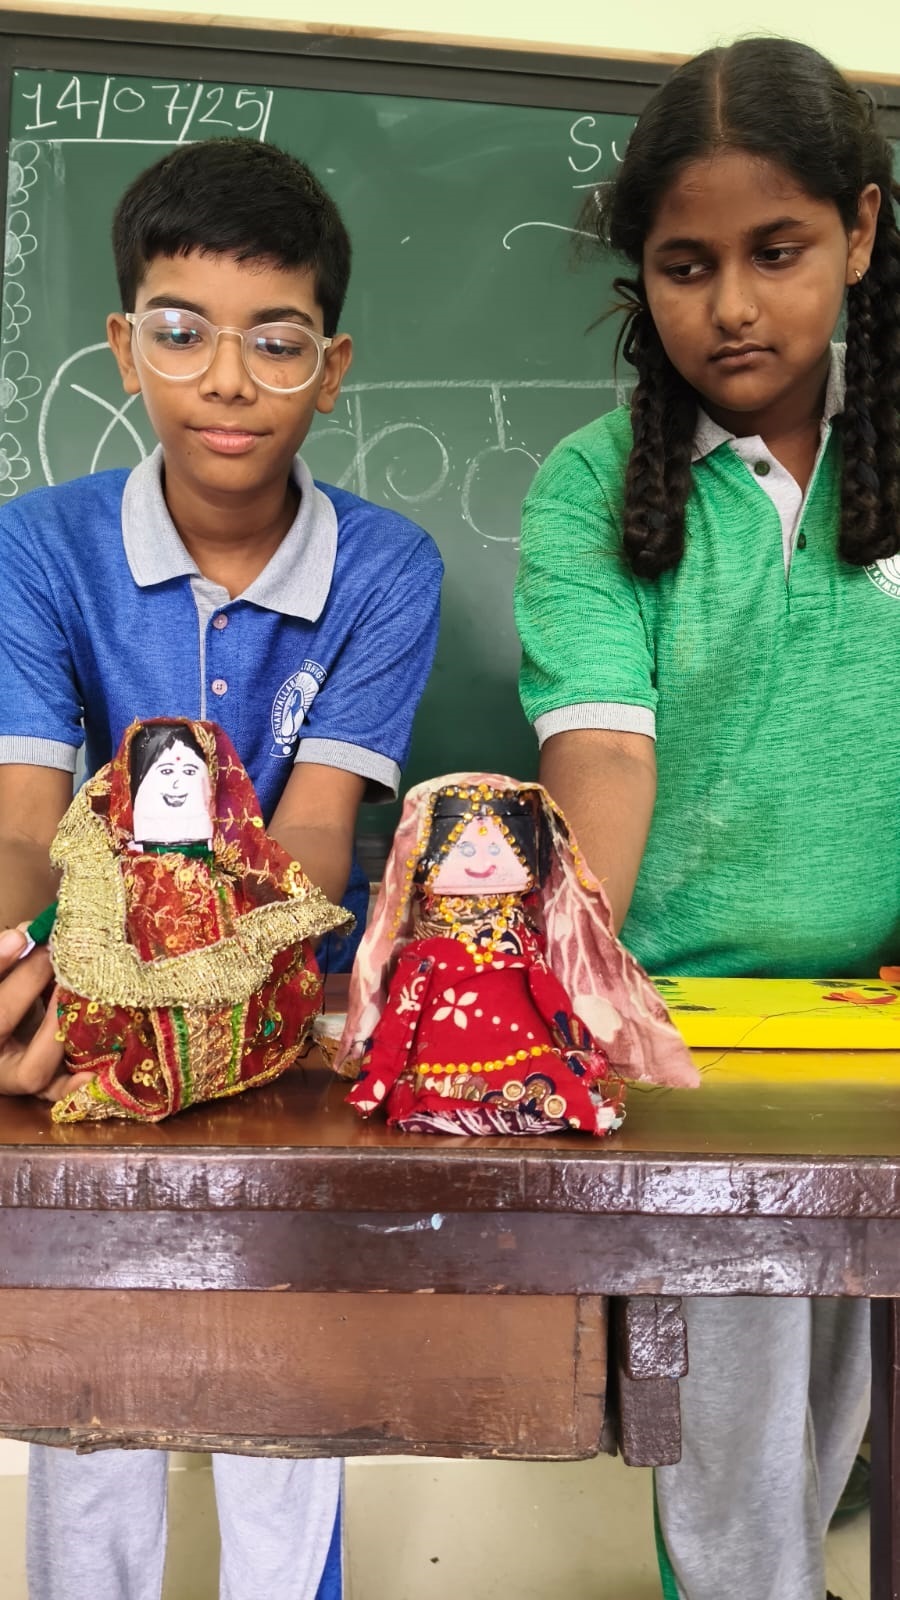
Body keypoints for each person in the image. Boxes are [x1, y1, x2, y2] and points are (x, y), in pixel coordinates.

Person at [0, 137, 442, 1600]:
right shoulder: (36, 547)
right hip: (91, 1032)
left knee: (283, 1400)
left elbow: (316, 831)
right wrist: (25, 970)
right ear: (125, 345)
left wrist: (209, 991)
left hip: (285, 1040)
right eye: (182, 332)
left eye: (278, 340)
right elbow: (22, 823)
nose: (229, 381)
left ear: (334, 365)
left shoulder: (386, 566)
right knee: (89, 1386)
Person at [514, 35, 899, 1600]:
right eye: (687, 267)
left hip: (884, 1035)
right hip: (679, 1050)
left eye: (776, 252)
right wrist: (571, 987)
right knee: (738, 1492)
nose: (733, 304)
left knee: (847, 1433)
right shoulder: (592, 486)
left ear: (860, 233)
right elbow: (602, 759)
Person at [334, 774, 696, 1134]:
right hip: (444, 1058)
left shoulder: (523, 940)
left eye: (496, 849)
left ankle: (573, 1109)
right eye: (465, 849)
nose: (482, 862)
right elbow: (401, 1015)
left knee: (551, 1080)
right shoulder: (426, 952)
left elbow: (548, 993)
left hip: (525, 1052)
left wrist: (577, 1046)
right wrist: (377, 1077)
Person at [51, 717, 351, 1123]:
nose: (177, 783)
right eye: (164, 771)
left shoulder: (234, 881)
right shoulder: (107, 885)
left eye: (190, 772)